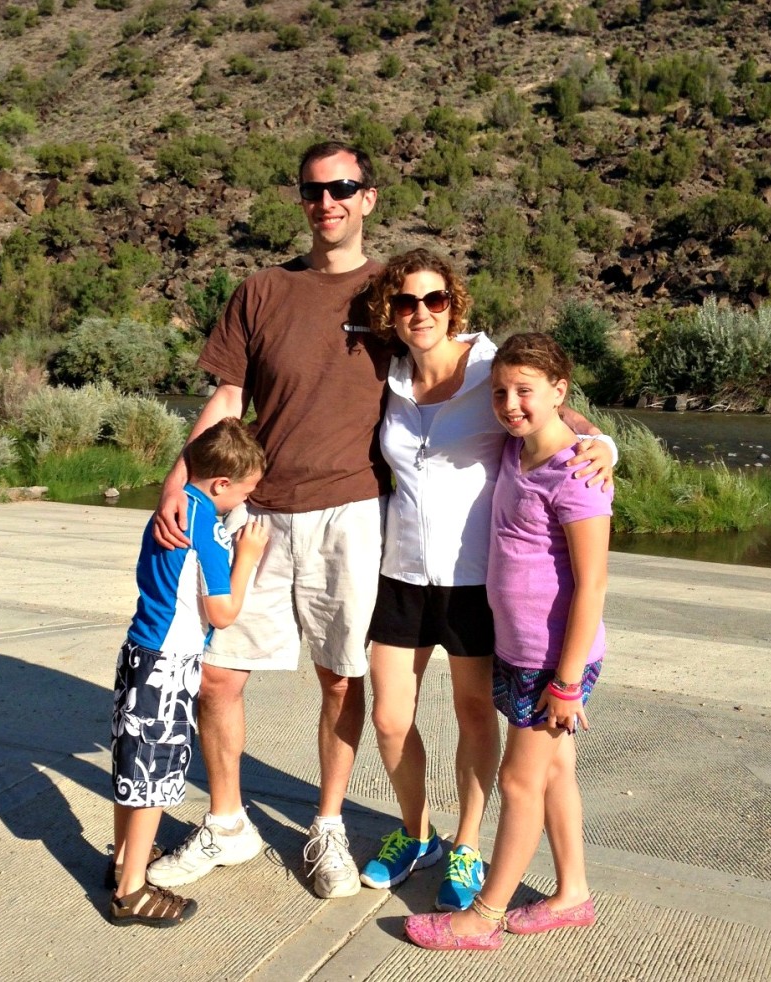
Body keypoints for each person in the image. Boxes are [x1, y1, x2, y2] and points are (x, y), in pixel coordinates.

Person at [144, 141, 391, 900]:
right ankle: (227, 825)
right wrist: (176, 484)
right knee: (217, 679)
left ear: (368, 198)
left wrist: (588, 434)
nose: (328, 203)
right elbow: (226, 403)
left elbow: (465, 371)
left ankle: (327, 827)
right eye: (315, 191)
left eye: (343, 188)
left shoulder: (395, 293)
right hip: (258, 517)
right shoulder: (261, 291)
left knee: (341, 680)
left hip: (352, 511)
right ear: (301, 200)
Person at [356, 251, 615, 913]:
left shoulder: (487, 369)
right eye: (407, 302)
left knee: (473, 715)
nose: (421, 313)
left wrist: (604, 446)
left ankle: (467, 841)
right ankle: (417, 833)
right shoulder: (387, 374)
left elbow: (561, 415)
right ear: (392, 311)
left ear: (454, 303)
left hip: (475, 583)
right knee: (389, 719)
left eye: (434, 299)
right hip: (402, 574)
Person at [404, 332, 612, 950]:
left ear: (559, 391)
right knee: (553, 776)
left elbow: (593, 585)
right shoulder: (514, 451)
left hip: (555, 662)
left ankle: (483, 915)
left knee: (520, 782)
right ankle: (572, 893)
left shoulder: (577, 472)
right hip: (521, 652)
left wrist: (568, 682)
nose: (511, 402)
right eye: (500, 391)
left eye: (526, 390)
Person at [108, 418, 268, 927]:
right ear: (222, 484)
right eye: (246, 489)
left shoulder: (173, 509)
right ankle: (131, 892)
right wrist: (247, 556)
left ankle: (122, 861)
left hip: (139, 649)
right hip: (170, 664)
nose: (247, 498)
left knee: (131, 764)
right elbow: (221, 613)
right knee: (155, 777)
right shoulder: (207, 532)